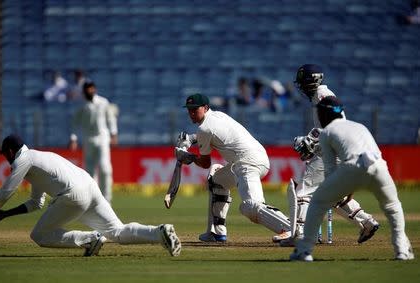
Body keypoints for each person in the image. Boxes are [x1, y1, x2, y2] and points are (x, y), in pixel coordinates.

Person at [0, 134, 181, 257]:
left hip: (72, 195)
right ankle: (159, 232)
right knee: (117, 231)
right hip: (89, 187)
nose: (5, 159)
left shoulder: (25, 160)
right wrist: (4, 214)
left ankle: (90, 239)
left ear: (11, 151)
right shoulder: (36, 160)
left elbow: (8, 188)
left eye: (4, 154)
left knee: (38, 235)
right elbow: (35, 203)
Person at [290, 97, 415, 261]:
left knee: (317, 201)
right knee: (392, 206)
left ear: (322, 115)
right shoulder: (360, 126)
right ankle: (402, 250)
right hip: (379, 166)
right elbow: (373, 153)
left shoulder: (326, 133)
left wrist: (339, 189)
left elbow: (330, 170)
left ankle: (304, 250)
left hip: (352, 167)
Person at [275, 64, 379, 246]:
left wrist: (311, 139)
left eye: (302, 83)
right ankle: (367, 222)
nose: (300, 87)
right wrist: (313, 139)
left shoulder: (324, 96)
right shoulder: (319, 97)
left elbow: (336, 124)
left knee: (302, 192)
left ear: (310, 82)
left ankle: (300, 234)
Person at [175, 93, 291, 242]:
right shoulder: (218, 116)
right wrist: (191, 139)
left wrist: (188, 157)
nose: (191, 113)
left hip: (248, 163)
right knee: (216, 181)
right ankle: (217, 232)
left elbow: (205, 163)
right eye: (189, 109)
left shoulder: (205, 128)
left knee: (250, 206)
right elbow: (209, 134)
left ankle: (291, 229)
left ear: (205, 108)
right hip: (252, 159)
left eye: (194, 109)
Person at [70, 81, 118, 203]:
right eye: (87, 89)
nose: (90, 91)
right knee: (89, 171)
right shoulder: (82, 106)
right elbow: (75, 124)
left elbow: (110, 118)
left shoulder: (103, 102)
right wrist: (73, 139)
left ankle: (107, 199)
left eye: (92, 89)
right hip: (88, 139)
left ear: (95, 89)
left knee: (105, 168)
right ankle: (92, 200)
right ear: (84, 91)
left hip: (103, 138)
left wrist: (113, 134)